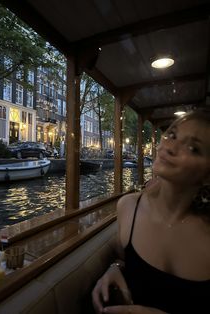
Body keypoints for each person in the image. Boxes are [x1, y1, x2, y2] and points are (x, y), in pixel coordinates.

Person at [92, 109, 210, 314]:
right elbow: (124, 259)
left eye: (193, 148)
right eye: (172, 135)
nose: (170, 147)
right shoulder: (128, 207)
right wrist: (115, 269)